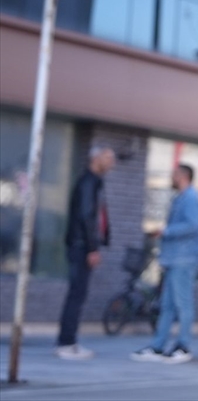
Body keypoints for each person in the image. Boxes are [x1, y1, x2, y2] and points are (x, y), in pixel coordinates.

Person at [131, 164, 198, 364]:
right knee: (167, 305)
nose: (172, 177)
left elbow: (193, 225)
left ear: (184, 176)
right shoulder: (180, 198)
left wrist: (166, 231)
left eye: (175, 174)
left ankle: (183, 346)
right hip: (173, 259)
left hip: (184, 259)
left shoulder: (191, 198)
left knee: (183, 304)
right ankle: (158, 346)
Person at [54, 144, 115, 360]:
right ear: (95, 159)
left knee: (77, 294)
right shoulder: (89, 183)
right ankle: (67, 343)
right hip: (81, 246)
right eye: (108, 157)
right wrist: (92, 248)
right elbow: (87, 217)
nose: (112, 162)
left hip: (81, 245)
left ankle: (68, 341)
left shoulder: (93, 182)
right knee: (77, 294)